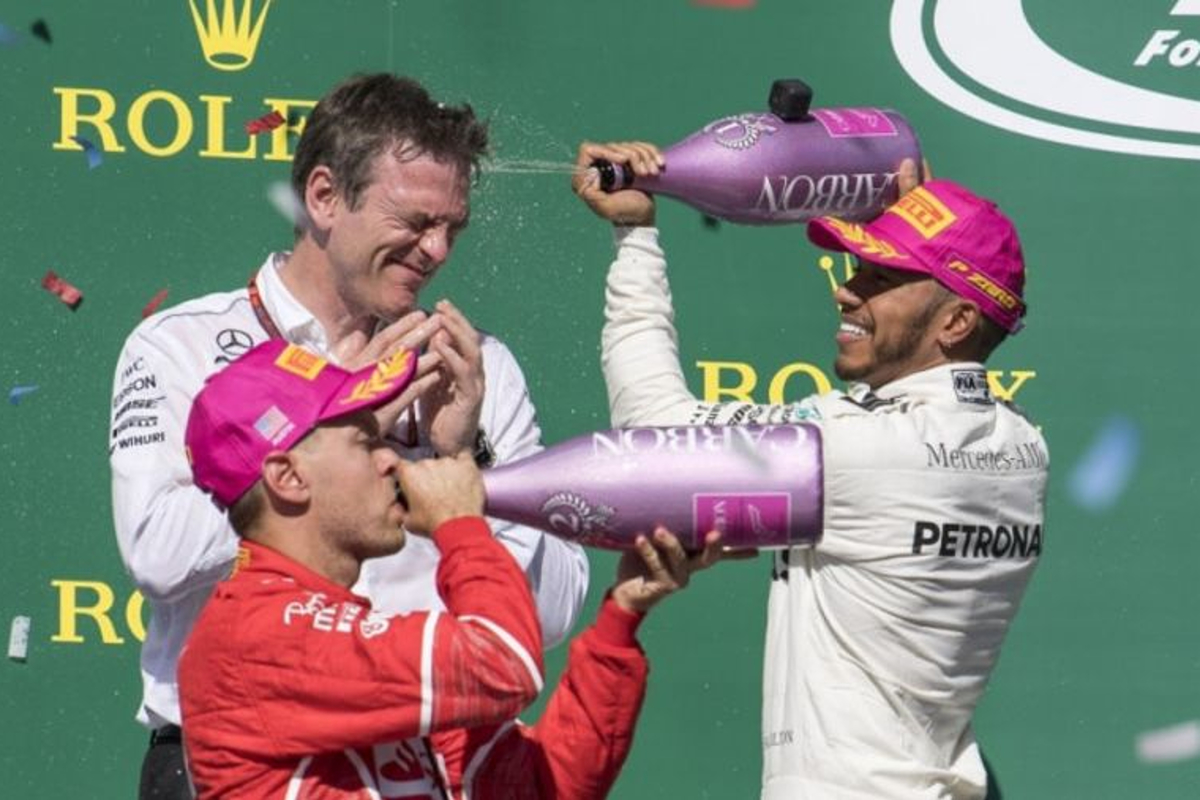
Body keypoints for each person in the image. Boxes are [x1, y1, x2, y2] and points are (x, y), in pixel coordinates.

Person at [109, 73, 588, 799]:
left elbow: (548, 617)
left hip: (428, 762)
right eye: (415, 221)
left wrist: (466, 466)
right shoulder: (182, 345)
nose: (436, 250)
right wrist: (334, 422)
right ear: (325, 196)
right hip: (234, 764)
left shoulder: (476, 364)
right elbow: (158, 554)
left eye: (452, 229)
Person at [572, 142, 1047, 799]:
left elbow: (652, 434)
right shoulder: (1022, 444)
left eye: (881, 279)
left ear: (957, 320)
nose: (846, 291)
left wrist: (635, 237)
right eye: (860, 269)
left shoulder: (854, 450)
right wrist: (910, 226)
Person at [178, 338, 719, 799]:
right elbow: (502, 664)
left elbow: (540, 786)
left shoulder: (352, 638)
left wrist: (620, 617)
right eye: (365, 441)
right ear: (289, 478)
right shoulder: (253, 636)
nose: (391, 460)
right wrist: (460, 525)